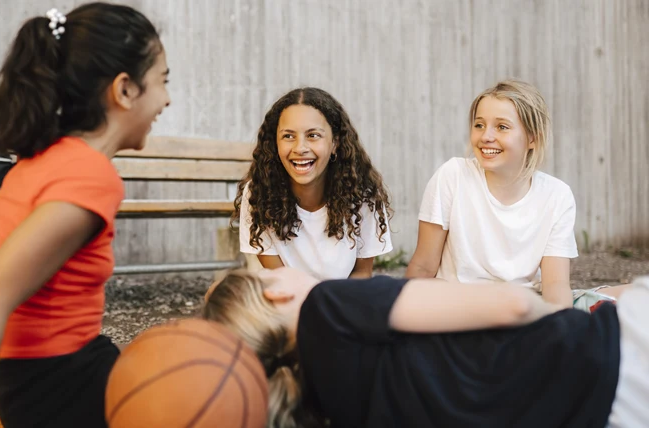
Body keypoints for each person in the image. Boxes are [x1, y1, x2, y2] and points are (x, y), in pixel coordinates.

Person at [0, 4, 170, 427]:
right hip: (60, 388)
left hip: (29, 381)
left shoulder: (40, 162)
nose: (167, 99)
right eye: (163, 82)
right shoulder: (91, 177)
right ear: (125, 89)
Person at [203, 267, 648, 428]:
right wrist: (567, 315)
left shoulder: (328, 409)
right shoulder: (328, 306)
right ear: (275, 293)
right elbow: (512, 304)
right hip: (608, 353)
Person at [405, 79, 625, 309]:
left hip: (524, 309)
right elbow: (423, 267)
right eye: (479, 125)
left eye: (502, 127)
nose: (486, 136)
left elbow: (556, 285)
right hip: (459, 308)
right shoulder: (453, 175)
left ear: (533, 138)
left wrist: (560, 330)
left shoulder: (557, 195)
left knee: (634, 295)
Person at [233, 87, 394, 280]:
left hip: (341, 300)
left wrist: (332, 304)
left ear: (335, 143)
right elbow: (279, 277)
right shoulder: (259, 193)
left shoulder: (362, 196)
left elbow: (362, 273)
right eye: (288, 136)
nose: (300, 148)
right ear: (275, 144)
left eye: (313, 135)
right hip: (289, 299)